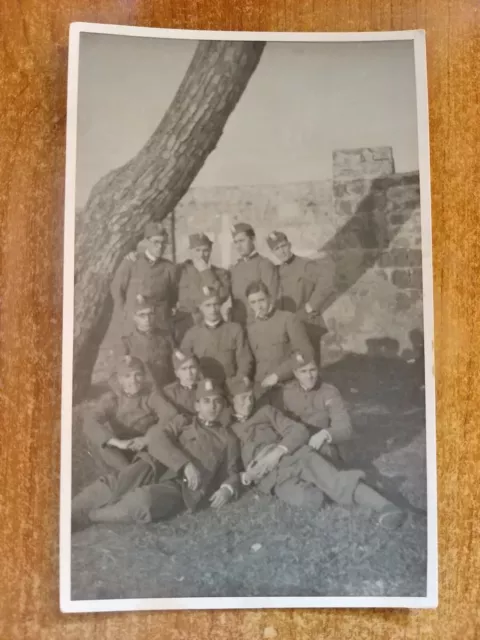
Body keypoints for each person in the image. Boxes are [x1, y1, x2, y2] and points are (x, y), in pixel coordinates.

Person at [228, 378, 407, 530]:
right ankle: (332, 487)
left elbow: (299, 431)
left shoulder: (265, 412)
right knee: (311, 499)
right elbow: (227, 466)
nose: (249, 403)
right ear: (231, 399)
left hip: (294, 455)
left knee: (335, 480)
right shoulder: (227, 429)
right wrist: (245, 475)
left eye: (250, 397)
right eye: (242, 399)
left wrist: (277, 452)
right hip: (272, 477)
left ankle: (385, 506)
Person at [72, 379, 240, 529]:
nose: (212, 407)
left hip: (180, 486)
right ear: (197, 405)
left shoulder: (228, 439)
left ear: (224, 406)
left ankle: (91, 517)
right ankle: (69, 512)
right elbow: (157, 438)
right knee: (116, 482)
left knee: (144, 503)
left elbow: (233, 471)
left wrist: (228, 489)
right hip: (154, 465)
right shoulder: (183, 421)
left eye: (217, 402)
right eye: (206, 401)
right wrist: (185, 464)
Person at [82, 355, 169, 473]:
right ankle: (128, 472)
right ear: (120, 380)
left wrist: (147, 438)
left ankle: (135, 475)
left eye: (138, 375)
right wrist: (118, 443)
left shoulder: (151, 395)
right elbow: (90, 421)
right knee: (103, 445)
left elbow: (169, 414)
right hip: (122, 447)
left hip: (147, 444)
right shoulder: (112, 399)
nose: (133, 381)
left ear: (144, 377)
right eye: (127, 376)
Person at [266, 230, 333, 363]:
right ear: (273, 253)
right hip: (288, 324)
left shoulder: (305, 264)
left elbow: (327, 282)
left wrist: (312, 305)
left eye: (283, 246)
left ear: (289, 245)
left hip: (307, 322)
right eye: (277, 249)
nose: (282, 251)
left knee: (311, 362)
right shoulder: (277, 270)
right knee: (293, 364)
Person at [276, 351, 353, 461]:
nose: (309, 376)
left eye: (313, 370)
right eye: (303, 371)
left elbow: (345, 428)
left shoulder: (329, 392)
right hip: (296, 443)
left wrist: (325, 434)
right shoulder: (287, 392)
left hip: (322, 447)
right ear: (295, 373)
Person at [245, 280, 314, 392]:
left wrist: (278, 375)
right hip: (261, 387)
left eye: (261, 300)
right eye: (253, 302)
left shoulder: (288, 319)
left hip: (288, 384)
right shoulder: (250, 328)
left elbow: (305, 352)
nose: (259, 306)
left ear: (270, 298)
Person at [110, 223, 177, 335]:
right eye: (156, 242)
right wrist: (123, 312)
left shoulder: (169, 267)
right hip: (134, 324)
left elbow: (174, 294)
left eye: (163, 243)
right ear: (146, 242)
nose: (160, 246)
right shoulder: (131, 262)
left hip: (160, 324)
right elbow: (117, 288)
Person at [180, 285, 253, 386]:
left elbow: (244, 360)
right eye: (208, 305)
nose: (213, 309)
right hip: (204, 388)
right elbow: (183, 363)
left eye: (216, 304)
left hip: (231, 385)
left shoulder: (235, 329)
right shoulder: (192, 334)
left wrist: (238, 381)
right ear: (200, 307)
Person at [175, 232, 231, 342]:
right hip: (185, 326)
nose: (201, 255)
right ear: (190, 251)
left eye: (205, 250)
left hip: (210, 326)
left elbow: (222, 295)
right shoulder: (180, 271)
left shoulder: (220, 273)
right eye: (197, 250)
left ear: (210, 251)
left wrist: (206, 272)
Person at [114, 295, 175, 390]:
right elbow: (115, 375)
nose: (147, 319)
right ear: (134, 317)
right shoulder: (127, 342)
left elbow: (175, 365)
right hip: (142, 392)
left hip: (166, 388)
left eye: (150, 314)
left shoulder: (166, 337)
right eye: (142, 315)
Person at [229, 222, 278, 325]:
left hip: (258, 323)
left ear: (252, 239)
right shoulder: (234, 268)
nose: (238, 246)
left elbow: (272, 297)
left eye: (242, 241)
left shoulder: (264, 264)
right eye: (235, 242)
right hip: (238, 324)